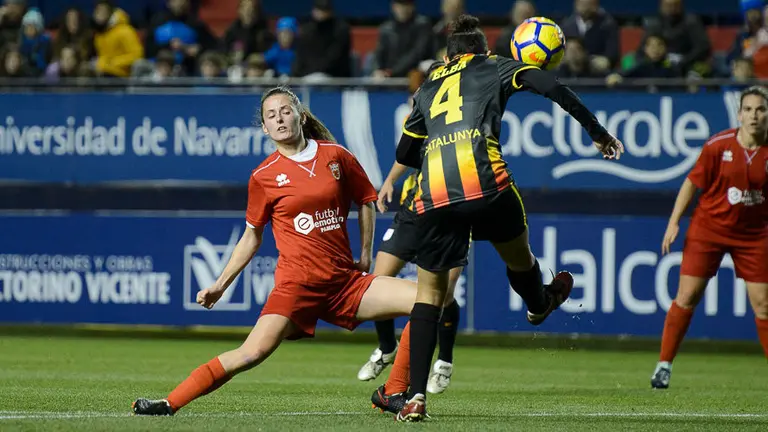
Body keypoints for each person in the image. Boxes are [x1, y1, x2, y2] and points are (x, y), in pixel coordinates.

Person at [131, 86, 422, 416]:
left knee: (426, 301)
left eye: (285, 110)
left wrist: (366, 253)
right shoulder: (264, 175)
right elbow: (250, 238)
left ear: (299, 114)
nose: (279, 118)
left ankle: (392, 392)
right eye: (271, 115)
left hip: (344, 283)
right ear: (265, 128)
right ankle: (170, 403)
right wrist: (219, 285)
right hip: (297, 287)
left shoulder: (335, 155)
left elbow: (366, 198)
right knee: (250, 354)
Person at [390, 15, 624, 421]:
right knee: (520, 258)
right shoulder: (496, 64)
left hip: (436, 196)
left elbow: (405, 155)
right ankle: (539, 303)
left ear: (448, 56)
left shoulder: (429, 83)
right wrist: (597, 131)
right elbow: (553, 87)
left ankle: (415, 398)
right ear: (481, 49)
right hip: (487, 187)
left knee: (428, 297)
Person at [651, 86, 768, 390]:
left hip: (754, 234)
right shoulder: (719, 146)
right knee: (687, 297)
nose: (755, 115)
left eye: (761, 110)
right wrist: (674, 222)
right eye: (750, 109)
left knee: (763, 305)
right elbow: (692, 182)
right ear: (739, 114)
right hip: (709, 230)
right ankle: (663, 365)